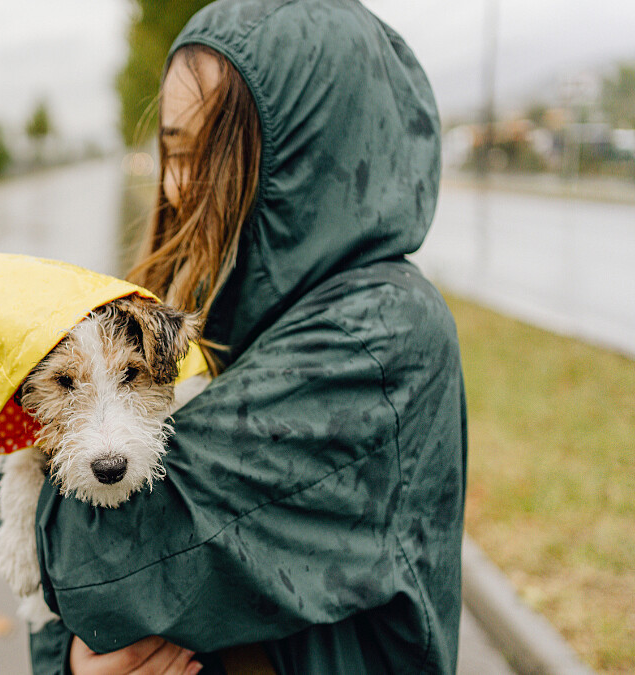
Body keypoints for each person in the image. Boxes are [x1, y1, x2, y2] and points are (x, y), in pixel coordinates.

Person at [25, 0, 466, 673]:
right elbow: (64, 599)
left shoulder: (382, 336)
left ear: (307, 160)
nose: (179, 185)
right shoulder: (213, 314)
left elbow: (89, 561)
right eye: (173, 148)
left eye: (212, 153)